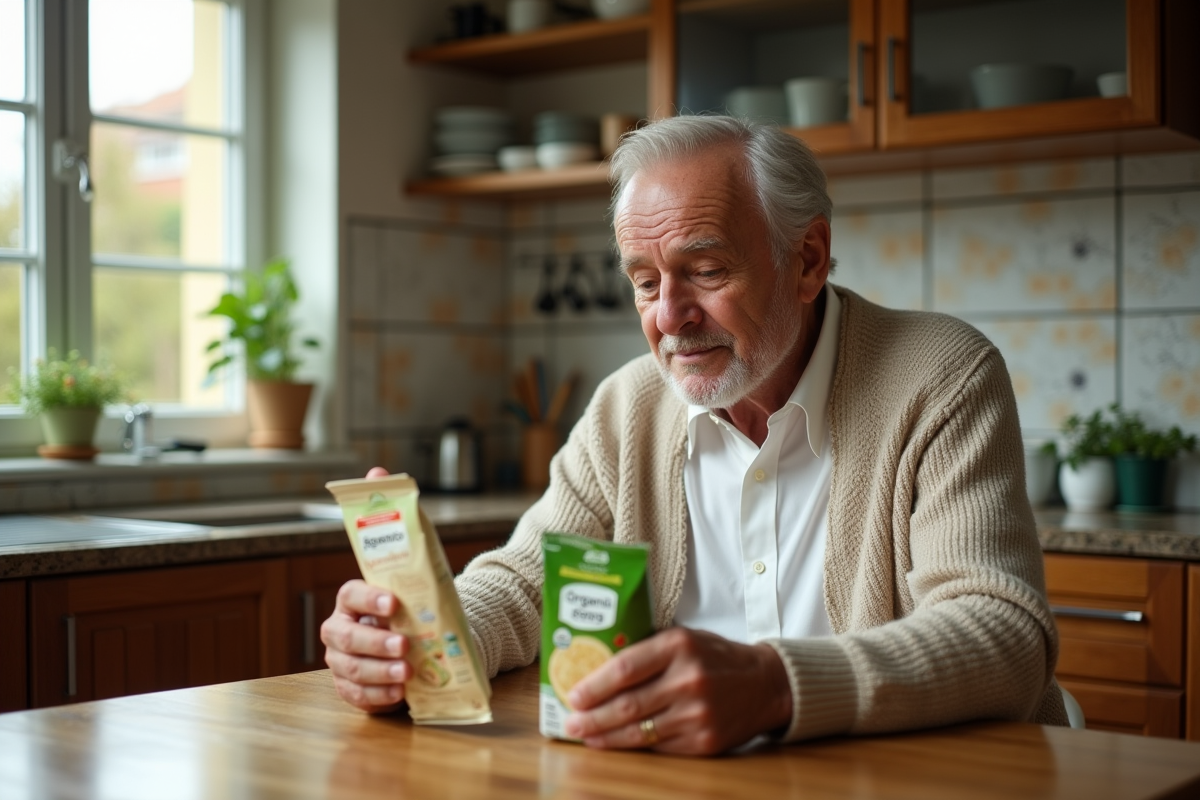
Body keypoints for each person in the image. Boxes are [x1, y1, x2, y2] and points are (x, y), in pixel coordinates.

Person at [322, 115, 1068, 756]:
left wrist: (777, 687)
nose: (669, 316)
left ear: (806, 260)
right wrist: (425, 643)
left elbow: (1003, 636)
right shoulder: (627, 406)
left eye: (705, 270)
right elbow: (526, 581)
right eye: (645, 282)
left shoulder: (942, 377)